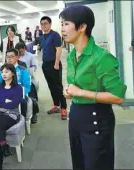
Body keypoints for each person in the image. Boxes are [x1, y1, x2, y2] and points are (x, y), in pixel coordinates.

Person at [60, 5, 127, 170]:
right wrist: (69, 92)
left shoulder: (102, 57)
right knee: (79, 164)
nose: (62, 29)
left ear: (82, 27)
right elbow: (75, 86)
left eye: (66, 24)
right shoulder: (70, 56)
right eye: (61, 24)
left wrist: (80, 92)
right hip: (76, 116)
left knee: (97, 164)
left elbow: (117, 97)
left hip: (96, 119)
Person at [0, 64, 23, 157]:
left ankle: (1, 147)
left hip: (11, 114)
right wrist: (4, 100)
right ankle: (4, 146)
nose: (3, 74)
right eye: (2, 72)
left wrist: (0, 101)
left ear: (13, 73)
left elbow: (14, 104)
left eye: (7, 71)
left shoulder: (18, 88)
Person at [40, 16, 67, 119]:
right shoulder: (42, 37)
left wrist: (56, 64)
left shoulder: (55, 35)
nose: (43, 25)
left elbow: (58, 49)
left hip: (54, 64)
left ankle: (64, 107)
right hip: (45, 65)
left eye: (45, 23)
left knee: (58, 86)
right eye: (42, 24)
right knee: (51, 86)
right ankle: (56, 105)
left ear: (50, 24)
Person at [0, 48, 30, 118]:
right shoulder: (2, 70)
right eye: (7, 57)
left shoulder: (23, 70)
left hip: (19, 94)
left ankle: (22, 121)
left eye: (11, 56)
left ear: (17, 57)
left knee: (23, 103)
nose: (9, 59)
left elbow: (27, 87)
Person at [15, 42, 39, 123]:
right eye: (18, 52)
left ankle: (34, 111)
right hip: (16, 81)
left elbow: (34, 67)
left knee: (31, 88)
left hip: (28, 78)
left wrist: (27, 71)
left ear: (24, 49)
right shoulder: (12, 61)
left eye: (21, 51)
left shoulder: (29, 57)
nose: (20, 54)